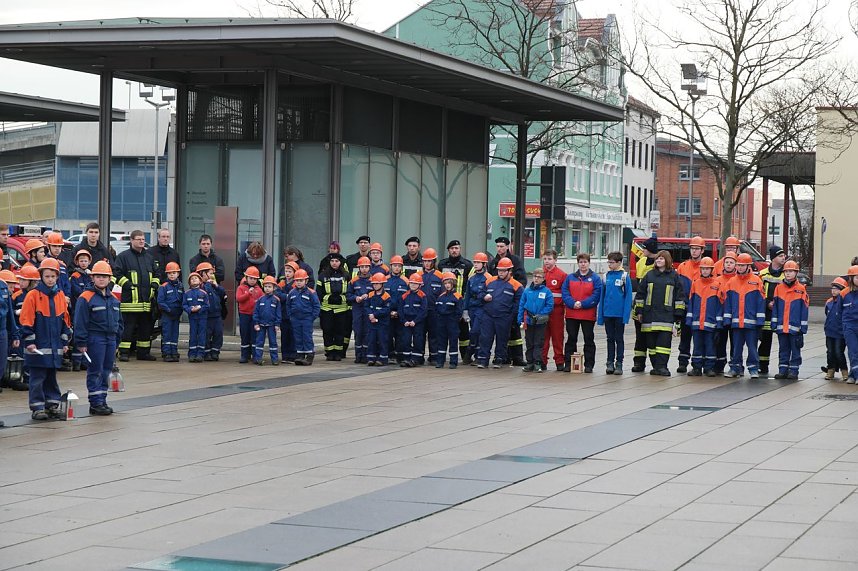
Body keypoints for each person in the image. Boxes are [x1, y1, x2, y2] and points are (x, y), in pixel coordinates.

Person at [20, 258, 67, 420]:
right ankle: (38, 407)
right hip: (38, 348)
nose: (50, 279)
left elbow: (65, 321)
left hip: (53, 348)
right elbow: (26, 320)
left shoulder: (60, 296)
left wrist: (65, 341)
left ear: (57, 277)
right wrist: (30, 342)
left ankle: (52, 405)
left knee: (51, 377)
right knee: (37, 378)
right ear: (41, 276)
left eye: (53, 277)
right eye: (47, 276)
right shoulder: (33, 296)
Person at [74, 260, 122, 415]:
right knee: (95, 370)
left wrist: (117, 341)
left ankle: (102, 399)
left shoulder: (114, 299)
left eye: (104, 276)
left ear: (109, 279)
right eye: (98, 276)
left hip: (110, 339)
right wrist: (81, 342)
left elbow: (119, 321)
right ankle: (95, 403)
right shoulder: (85, 297)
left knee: (107, 370)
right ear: (92, 278)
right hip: (95, 338)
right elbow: (80, 322)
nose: (101, 279)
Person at [634, 250, 686, 376]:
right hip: (649, 316)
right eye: (657, 259)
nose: (658, 261)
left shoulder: (674, 276)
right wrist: (639, 311)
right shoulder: (649, 276)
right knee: (651, 345)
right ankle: (656, 367)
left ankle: (662, 367)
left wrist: (678, 314)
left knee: (663, 345)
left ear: (667, 261)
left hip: (666, 316)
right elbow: (640, 295)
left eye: (661, 259)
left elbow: (680, 296)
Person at [114, 230, 159, 362]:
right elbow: (116, 273)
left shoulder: (149, 257)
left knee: (146, 329)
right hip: (130, 302)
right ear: (132, 240)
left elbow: (157, 273)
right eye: (138, 239)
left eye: (143, 239)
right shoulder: (123, 257)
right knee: (127, 329)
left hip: (146, 302)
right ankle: (123, 353)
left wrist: (155, 284)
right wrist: (127, 284)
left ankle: (143, 353)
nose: (141, 241)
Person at [722, 253, 766, 378]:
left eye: (743, 265)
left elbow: (761, 302)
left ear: (748, 266)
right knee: (736, 348)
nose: (740, 268)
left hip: (751, 323)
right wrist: (727, 319)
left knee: (752, 348)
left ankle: (753, 369)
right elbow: (728, 302)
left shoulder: (756, 281)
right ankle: (735, 368)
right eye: (739, 265)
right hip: (736, 322)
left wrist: (760, 320)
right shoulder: (731, 282)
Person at [476, 257, 523, 369]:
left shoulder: (516, 285)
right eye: (499, 270)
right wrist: (484, 297)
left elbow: (518, 304)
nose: (501, 273)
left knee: (502, 340)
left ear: (509, 271)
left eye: (503, 270)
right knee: (485, 338)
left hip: (504, 317)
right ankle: (483, 360)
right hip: (488, 316)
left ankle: (499, 359)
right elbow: (480, 294)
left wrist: (511, 317)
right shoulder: (489, 281)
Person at [488, 237, 527, 366]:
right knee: (500, 334)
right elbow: (490, 281)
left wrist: (513, 292)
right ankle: (502, 357)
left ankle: (517, 357)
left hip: (511, 299)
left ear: (507, 247)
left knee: (515, 333)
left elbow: (522, 280)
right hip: (499, 302)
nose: (499, 249)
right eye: (497, 246)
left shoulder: (515, 261)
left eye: (502, 246)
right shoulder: (493, 263)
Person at [561, 253, 602, 373]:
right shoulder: (570, 277)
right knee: (571, 339)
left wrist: (582, 304)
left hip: (588, 315)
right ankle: (568, 364)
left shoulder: (595, 278)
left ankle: (589, 365)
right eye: (581, 262)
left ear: (589, 263)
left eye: (585, 262)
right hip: (571, 314)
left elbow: (596, 295)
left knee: (588, 339)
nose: (583, 264)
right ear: (577, 263)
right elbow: (565, 292)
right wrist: (572, 303)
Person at [770, 260, 809, 380]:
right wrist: (774, 322)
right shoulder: (778, 288)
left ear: (796, 273)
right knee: (783, 349)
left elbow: (804, 309)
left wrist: (803, 326)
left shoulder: (801, 289)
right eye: (786, 271)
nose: (788, 274)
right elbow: (775, 307)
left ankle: (794, 371)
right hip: (782, 326)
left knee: (795, 350)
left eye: (791, 271)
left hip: (795, 327)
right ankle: (782, 370)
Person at [597, 251, 633, 375]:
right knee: (609, 338)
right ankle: (609, 362)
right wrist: (600, 315)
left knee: (619, 339)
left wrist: (625, 316)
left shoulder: (624, 276)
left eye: (611, 262)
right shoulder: (606, 276)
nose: (609, 264)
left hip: (619, 314)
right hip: (608, 313)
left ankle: (619, 363)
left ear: (618, 263)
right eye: (608, 262)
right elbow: (602, 296)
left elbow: (628, 297)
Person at [685, 256, 722, 377]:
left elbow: (719, 306)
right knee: (697, 346)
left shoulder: (717, 285)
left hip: (710, 323)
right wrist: (689, 320)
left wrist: (719, 324)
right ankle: (696, 367)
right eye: (703, 269)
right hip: (696, 323)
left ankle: (709, 368)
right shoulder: (695, 284)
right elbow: (691, 302)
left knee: (710, 346)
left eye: (707, 269)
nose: (705, 271)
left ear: (712, 270)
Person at [438, 240, 473, 362]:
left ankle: (465, 356)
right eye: (452, 248)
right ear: (448, 250)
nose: (454, 250)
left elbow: (470, 284)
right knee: (444, 331)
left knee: (463, 332)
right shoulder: (442, 265)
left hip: (460, 302)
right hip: (445, 302)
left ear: (460, 249)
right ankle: (443, 357)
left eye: (456, 248)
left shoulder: (467, 265)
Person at [676, 236, 706, 373]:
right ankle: (683, 362)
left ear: (702, 250)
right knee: (685, 336)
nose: (694, 251)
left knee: (700, 338)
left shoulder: (706, 266)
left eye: (697, 249)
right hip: (686, 307)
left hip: (701, 308)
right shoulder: (683, 267)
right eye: (692, 248)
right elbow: (678, 289)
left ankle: (698, 363)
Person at [631, 235, 659, 372]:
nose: (643, 250)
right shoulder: (641, 262)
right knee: (639, 336)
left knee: (652, 337)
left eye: (645, 248)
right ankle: (639, 363)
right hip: (640, 303)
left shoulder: (660, 263)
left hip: (653, 306)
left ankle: (656, 364)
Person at [517, 267, 553, 373]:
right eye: (534, 276)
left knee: (539, 342)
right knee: (529, 342)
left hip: (540, 321)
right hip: (529, 319)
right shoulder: (527, 291)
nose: (536, 279)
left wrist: (540, 315)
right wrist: (520, 319)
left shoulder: (546, 292)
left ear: (543, 279)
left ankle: (538, 363)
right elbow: (522, 305)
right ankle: (529, 362)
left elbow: (549, 306)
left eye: (539, 277)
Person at [758, 246, 786, 378]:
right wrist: (767, 302)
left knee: (784, 341)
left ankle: (784, 368)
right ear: (773, 258)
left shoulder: (787, 273)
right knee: (765, 339)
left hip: (781, 312)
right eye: (780, 256)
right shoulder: (763, 274)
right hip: (767, 311)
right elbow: (759, 292)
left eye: (784, 256)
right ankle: (762, 366)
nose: (783, 258)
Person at [317, 252, 351, 361]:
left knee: (340, 331)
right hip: (327, 309)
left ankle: (338, 353)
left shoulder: (346, 275)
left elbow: (349, 292)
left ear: (340, 262)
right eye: (332, 261)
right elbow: (319, 293)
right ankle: (329, 352)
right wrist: (328, 298)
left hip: (342, 309)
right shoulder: (323, 275)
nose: (334, 263)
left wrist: (342, 299)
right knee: (327, 330)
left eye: (336, 261)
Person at [541, 249, 567, 372]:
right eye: (545, 259)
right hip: (542, 311)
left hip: (557, 311)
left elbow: (565, 294)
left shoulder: (562, 275)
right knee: (543, 337)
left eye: (549, 259)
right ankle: (542, 360)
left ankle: (559, 361)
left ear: (555, 260)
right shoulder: (540, 274)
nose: (547, 261)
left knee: (557, 337)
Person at [287, 269, 320, 366]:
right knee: (298, 337)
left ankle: (309, 355)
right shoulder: (292, 292)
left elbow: (316, 306)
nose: (299, 283)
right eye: (297, 281)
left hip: (307, 319)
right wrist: (291, 316)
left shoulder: (311, 292)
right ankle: (300, 355)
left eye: (301, 281)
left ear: (306, 281)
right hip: (295, 319)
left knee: (307, 337)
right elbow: (288, 305)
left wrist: (312, 317)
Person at [417, 248, 444, 366]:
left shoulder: (440, 276)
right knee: (420, 334)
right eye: (425, 261)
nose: (427, 264)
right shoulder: (418, 276)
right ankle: (419, 356)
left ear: (434, 262)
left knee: (434, 334)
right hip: (420, 310)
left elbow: (443, 293)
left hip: (434, 310)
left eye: (429, 261)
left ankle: (434, 356)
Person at [713, 251, 738, 374]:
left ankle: (735, 364)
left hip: (734, 317)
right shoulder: (717, 280)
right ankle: (719, 364)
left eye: (731, 262)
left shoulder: (737, 280)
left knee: (735, 342)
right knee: (720, 342)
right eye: (727, 262)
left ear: (736, 264)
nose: (729, 265)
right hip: (720, 316)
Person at [197, 262, 227, 361]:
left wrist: (216, 285)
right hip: (207, 315)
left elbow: (222, 293)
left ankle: (215, 352)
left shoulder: (214, 285)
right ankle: (207, 352)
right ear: (202, 274)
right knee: (207, 334)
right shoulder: (200, 286)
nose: (212, 275)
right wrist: (209, 284)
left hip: (217, 315)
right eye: (210, 273)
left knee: (218, 334)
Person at [69, 249, 93, 371]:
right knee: (78, 335)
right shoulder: (75, 276)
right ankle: (76, 362)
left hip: (88, 310)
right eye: (81, 261)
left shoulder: (90, 275)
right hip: (77, 309)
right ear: (77, 262)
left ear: (89, 262)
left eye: (86, 261)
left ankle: (84, 361)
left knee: (87, 336)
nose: (83, 263)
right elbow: (76, 291)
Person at [464, 252, 489, 366]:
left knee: (476, 331)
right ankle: (476, 356)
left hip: (481, 307)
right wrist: (465, 310)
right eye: (475, 262)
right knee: (474, 332)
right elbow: (467, 295)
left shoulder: (488, 278)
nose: (476, 264)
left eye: (478, 262)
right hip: (472, 307)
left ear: (484, 264)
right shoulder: (472, 278)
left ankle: (471, 354)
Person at [434, 272, 464, 369]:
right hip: (441, 322)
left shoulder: (457, 296)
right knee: (441, 342)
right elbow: (437, 309)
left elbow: (459, 311)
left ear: (453, 283)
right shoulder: (441, 296)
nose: (447, 285)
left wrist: (454, 320)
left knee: (453, 342)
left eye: (449, 283)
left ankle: (453, 362)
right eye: (445, 283)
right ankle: (440, 361)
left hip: (452, 322)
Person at [156, 262, 184, 362]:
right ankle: (167, 353)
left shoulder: (180, 286)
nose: (172, 275)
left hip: (176, 314)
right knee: (167, 334)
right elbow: (160, 301)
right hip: (167, 314)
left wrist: (180, 310)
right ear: (167, 274)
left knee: (175, 334)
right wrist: (168, 310)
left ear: (178, 274)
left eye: (174, 273)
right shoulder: (164, 286)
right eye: (169, 273)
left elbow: (183, 300)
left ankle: (174, 351)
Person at [347, 257, 373, 363]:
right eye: (362, 267)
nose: (364, 269)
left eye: (366, 267)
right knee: (358, 331)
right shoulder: (354, 281)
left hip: (368, 309)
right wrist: (355, 298)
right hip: (357, 308)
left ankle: (366, 355)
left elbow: (378, 293)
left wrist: (369, 295)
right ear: (359, 268)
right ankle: (358, 355)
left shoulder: (373, 280)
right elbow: (348, 295)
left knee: (367, 332)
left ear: (369, 267)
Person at [823, 277, 849, 381]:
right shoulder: (829, 302)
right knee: (830, 352)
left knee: (839, 352)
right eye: (833, 288)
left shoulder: (844, 302)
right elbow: (827, 314)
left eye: (837, 289)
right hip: (830, 331)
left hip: (840, 332)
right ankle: (831, 371)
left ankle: (844, 372)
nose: (834, 290)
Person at [399, 273, 428, 367]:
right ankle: (406, 359)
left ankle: (416, 359)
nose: (413, 285)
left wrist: (415, 321)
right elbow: (400, 309)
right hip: (407, 322)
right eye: (411, 283)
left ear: (420, 285)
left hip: (417, 322)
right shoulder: (404, 296)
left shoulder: (422, 296)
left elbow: (423, 311)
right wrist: (404, 321)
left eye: (415, 284)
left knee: (418, 340)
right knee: (406, 340)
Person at [236, 266, 264, 363]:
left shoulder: (259, 290)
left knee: (254, 336)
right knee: (245, 335)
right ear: (246, 278)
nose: (252, 280)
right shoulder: (241, 288)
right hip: (244, 314)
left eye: (254, 279)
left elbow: (262, 301)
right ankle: (245, 355)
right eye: (251, 278)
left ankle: (255, 355)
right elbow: (239, 299)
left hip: (255, 316)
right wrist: (248, 293)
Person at [385, 255, 408, 364]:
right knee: (388, 335)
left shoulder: (406, 281)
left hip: (401, 313)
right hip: (387, 313)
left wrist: (399, 312)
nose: (397, 268)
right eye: (395, 265)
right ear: (391, 266)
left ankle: (400, 355)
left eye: (399, 266)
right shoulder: (385, 280)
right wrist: (388, 311)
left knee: (400, 336)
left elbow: (407, 299)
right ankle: (390, 355)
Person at [253, 276, 282, 365]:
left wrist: (277, 324)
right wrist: (256, 323)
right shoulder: (260, 299)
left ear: (274, 288)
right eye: (266, 286)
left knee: (273, 342)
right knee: (259, 342)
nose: (267, 289)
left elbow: (278, 313)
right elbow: (256, 312)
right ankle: (258, 358)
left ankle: (275, 359)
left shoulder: (276, 300)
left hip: (272, 325)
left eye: (269, 287)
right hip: (261, 324)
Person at [365, 272, 392, 366]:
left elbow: (386, 309)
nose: (375, 285)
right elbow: (366, 306)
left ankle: (382, 358)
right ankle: (371, 358)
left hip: (382, 323)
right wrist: (370, 314)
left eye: (377, 283)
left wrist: (374, 314)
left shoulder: (386, 296)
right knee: (371, 340)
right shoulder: (370, 294)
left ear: (382, 284)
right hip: (371, 322)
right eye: (374, 283)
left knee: (382, 340)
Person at [183, 272, 209, 363]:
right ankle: (192, 354)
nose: (194, 280)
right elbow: (184, 305)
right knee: (193, 335)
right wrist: (190, 309)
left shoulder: (203, 293)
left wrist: (199, 308)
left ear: (200, 281)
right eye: (192, 279)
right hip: (192, 318)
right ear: (189, 282)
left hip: (202, 318)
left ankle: (200, 354)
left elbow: (207, 305)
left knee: (202, 335)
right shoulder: (187, 293)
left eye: (196, 278)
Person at [839, 266, 858, 384]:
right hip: (849, 326)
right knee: (853, 351)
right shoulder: (844, 293)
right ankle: (856, 375)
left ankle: (853, 374)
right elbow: (839, 311)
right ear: (851, 278)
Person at [277, 261, 299, 363]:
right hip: (284, 314)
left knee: (293, 335)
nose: (287, 273)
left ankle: (293, 355)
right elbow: (277, 293)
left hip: (293, 314)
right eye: (286, 271)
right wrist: (287, 296)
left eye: (290, 271)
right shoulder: (282, 283)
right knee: (284, 335)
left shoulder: (296, 284)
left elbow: (295, 297)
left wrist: (285, 296)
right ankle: (285, 355)